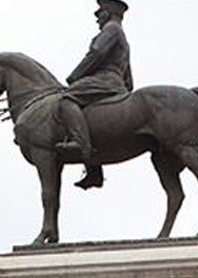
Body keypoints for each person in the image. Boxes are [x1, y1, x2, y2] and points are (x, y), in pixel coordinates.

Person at [59, 0, 132, 190]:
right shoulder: (121, 36)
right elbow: (129, 78)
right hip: (116, 84)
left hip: (104, 81)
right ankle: (94, 172)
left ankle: (79, 144)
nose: (97, 18)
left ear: (107, 13)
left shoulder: (111, 29)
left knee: (66, 99)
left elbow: (96, 53)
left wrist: (75, 76)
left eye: (100, 13)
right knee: (89, 118)